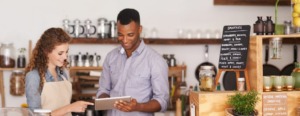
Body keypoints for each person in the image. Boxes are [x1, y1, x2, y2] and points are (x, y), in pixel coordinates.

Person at [96, 8, 169, 116]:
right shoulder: (111, 57)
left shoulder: (155, 61)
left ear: (139, 29)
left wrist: (138, 106)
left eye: (130, 35)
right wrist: (105, 101)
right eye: (120, 35)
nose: (125, 40)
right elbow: (103, 90)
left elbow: (162, 101)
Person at [25, 28, 93, 116]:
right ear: (46, 52)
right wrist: (70, 107)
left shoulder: (63, 74)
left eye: (66, 52)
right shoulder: (34, 77)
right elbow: (34, 115)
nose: (65, 57)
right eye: (60, 53)